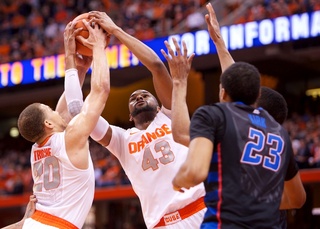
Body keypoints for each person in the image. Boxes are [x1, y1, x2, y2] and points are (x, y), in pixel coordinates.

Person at [64, 11, 206, 229]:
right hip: (161, 224)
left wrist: (116, 31)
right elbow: (77, 110)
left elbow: (157, 67)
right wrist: (75, 66)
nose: (139, 96)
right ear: (129, 116)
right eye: (133, 98)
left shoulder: (169, 117)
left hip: (199, 210)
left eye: (145, 95)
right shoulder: (121, 139)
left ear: (159, 106)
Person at [15, 18, 110, 229]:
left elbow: (66, 109)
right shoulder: (70, 139)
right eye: (49, 110)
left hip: (36, 222)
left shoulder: (37, 148)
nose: (55, 111)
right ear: (48, 123)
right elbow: (100, 91)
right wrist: (98, 48)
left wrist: (80, 69)